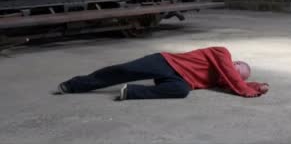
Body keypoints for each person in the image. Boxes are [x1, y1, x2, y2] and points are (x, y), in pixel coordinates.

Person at [56, 47, 269, 101]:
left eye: (242, 75)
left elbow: (232, 82)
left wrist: (256, 86)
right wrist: (245, 90)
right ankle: (74, 85)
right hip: (166, 62)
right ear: (235, 62)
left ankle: (131, 93)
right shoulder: (222, 53)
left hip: (179, 79)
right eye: (238, 67)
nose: (236, 71)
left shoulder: (223, 79)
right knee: (125, 70)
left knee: (181, 91)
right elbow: (233, 80)